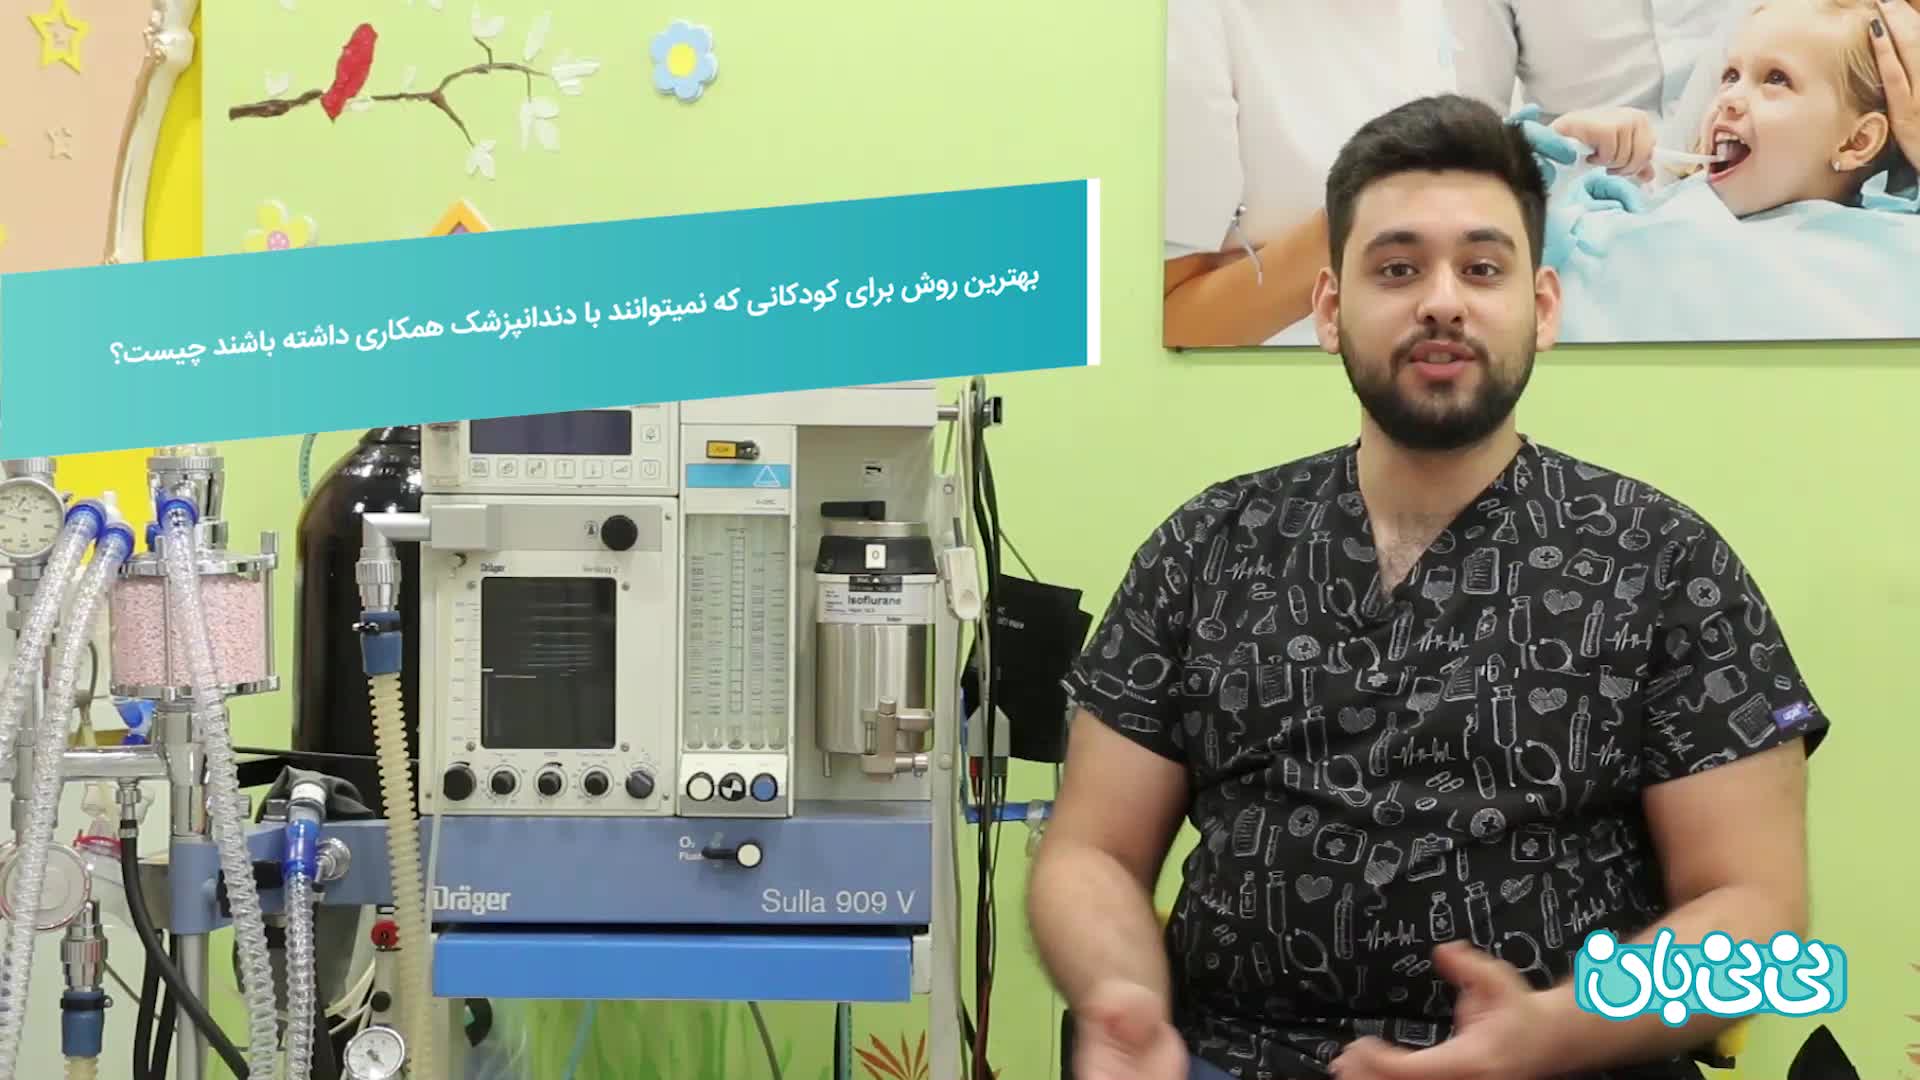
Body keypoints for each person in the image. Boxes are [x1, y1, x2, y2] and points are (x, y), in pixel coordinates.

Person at [1029, 92, 1829, 1080]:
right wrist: (1120, 996)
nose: (1441, 301)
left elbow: (1757, 918)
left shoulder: (1665, 562)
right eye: (1398, 268)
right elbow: (1093, 853)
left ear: (1543, 307)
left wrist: (1551, 1033)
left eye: (1482, 268)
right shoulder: (1208, 546)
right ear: (1330, 310)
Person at [1162, 1, 1456, 348]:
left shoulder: (1421, 12)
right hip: (1277, 368)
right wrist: (1348, 227)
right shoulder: (1193, 16)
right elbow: (1166, 323)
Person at [1541, 0, 1905, 217]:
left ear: (1857, 141)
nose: (1728, 99)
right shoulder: (1649, 213)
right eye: (1731, 76)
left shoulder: (1892, 242)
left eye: (1776, 79)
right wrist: (1561, 162)